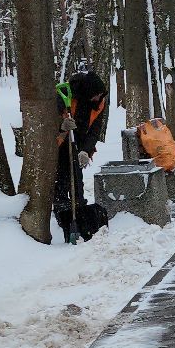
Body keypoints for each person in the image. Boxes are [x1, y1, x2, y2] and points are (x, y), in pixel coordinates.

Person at [55, 70, 109, 241]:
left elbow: (95, 131)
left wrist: (86, 150)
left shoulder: (99, 103)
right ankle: (62, 214)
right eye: (96, 95)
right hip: (61, 143)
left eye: (101, 95)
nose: (98, 99)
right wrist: (61, 126)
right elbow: (49, 120)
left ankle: (79, 211)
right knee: (62, 179)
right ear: (87, 92)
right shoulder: (65, 95)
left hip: (80, 144)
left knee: (77, 180)